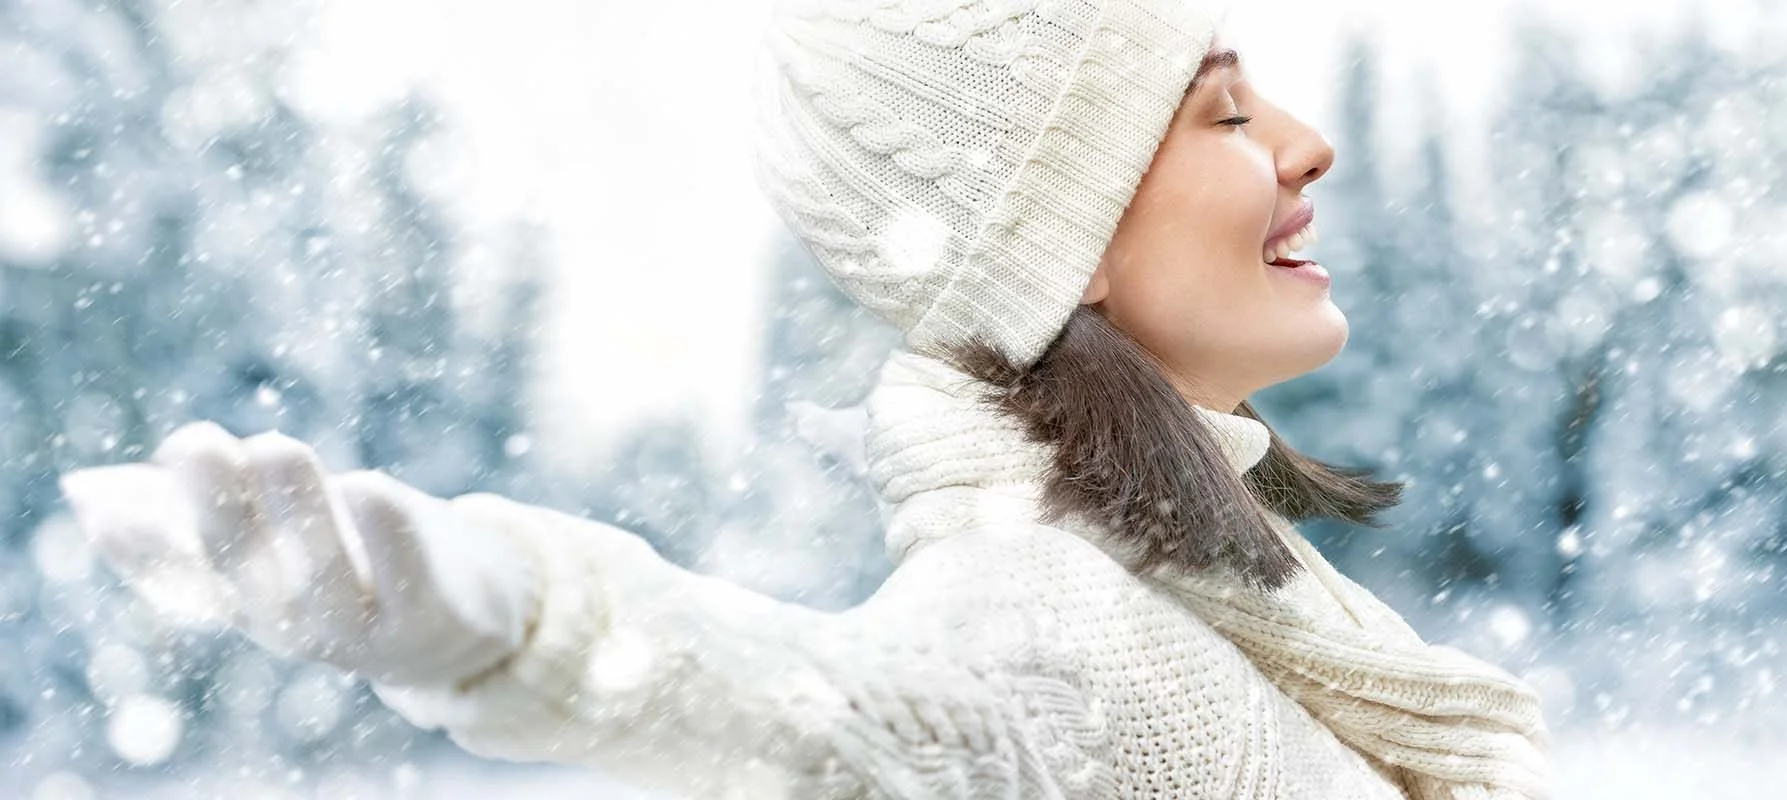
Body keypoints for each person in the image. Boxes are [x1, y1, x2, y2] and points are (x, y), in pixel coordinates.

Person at [57, 0, 1552, 797]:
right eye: (1224, 110)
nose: (1304, 144)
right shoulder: (1049, 608)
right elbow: (835, 721)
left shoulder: (1219, 597)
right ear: (1065, 247)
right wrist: (514, 619)